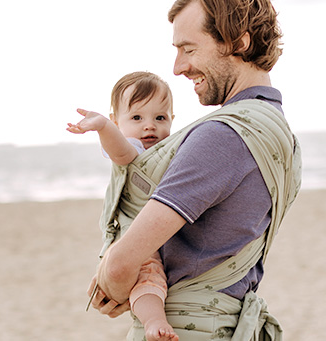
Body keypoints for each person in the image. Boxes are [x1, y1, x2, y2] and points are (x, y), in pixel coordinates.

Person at [88, 0, 302, 340]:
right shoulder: (282, 136)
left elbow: (120, 265)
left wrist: (111, 283)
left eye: (188, 49)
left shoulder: (222, 136)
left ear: (238, 42)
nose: (177, 68)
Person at [67, 71, 180, 341]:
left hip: (164, 232)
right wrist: (104, 128)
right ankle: (154, 321)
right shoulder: (131, 148)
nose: (149, 126)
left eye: (160, 118)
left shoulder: (170, 150)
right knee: (147, 276)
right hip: (135, 235)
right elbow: (121, 153)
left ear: (172, 120)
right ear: (119, 122)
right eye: (137, 118)